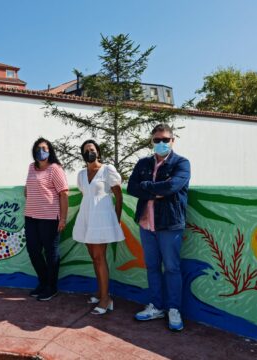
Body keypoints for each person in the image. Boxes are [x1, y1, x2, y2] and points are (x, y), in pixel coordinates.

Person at [127, 124, 190, 331]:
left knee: (172, 268)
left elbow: (172, 187)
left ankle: (174, 308)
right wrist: (155, 190)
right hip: (146, 223)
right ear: (152, 142)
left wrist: (146, 187)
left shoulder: (181, 163)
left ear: (173, 141)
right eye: (157, 140)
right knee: (152, 266)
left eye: (165, 139)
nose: (161, 143)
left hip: (170, 224)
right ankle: (156, 306)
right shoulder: (143, 163)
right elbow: (132, 187)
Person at [72, 140, 125, 315]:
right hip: (87, 218)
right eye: (86, 150)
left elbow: (118, 196)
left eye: (92, 149)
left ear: (98, 152)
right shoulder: (81, 174)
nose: (89, 152)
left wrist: (116, 219)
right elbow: (85, 195)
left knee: (100, 257)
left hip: (102, 220)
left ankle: (106, 299)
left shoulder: (108, 170)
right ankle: (101, 292)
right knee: (94, 258)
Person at [24, 137, 69, 301]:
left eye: (44, 148)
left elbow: (64, 194)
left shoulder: (55, 169)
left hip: (50, 218)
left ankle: (52, 287)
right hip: (30, 216)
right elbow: (27, 188)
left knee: (51, 254)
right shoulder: (31, 167)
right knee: (33, 251)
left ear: (50, 151)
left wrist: (63, 218)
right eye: (38, 148)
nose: (40, 151)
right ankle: (43, 283)